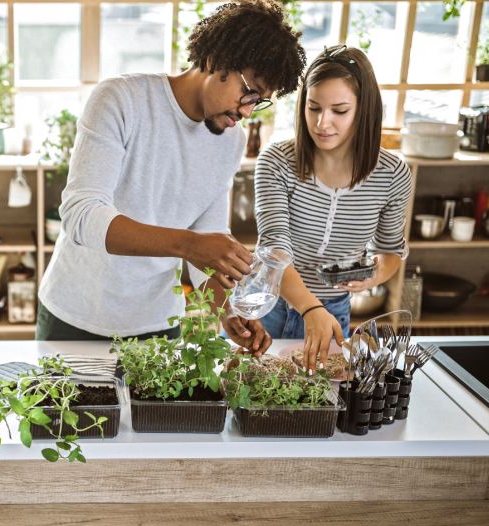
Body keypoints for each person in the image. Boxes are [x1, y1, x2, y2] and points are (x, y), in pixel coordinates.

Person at [37, 0, 305, 355]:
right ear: (216, 59)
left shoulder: (231, 141)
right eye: (249, 92)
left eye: (260, 102)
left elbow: (208, 238)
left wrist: (226, 309)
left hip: (158, 327)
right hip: (75, 318)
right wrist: (190, 245)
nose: (247, 111)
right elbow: (81, 215)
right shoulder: (120, 100)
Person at [254, 45, 412, 372]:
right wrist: (311, 308)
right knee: (259, 405)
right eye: (314, 108)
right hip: (269, 307)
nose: (322, 123)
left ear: (364, 110)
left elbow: (391, 251)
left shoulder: (392, 174)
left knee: (317, 411)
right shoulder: (276, 162)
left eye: (339, 110)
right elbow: (274, 248)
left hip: (333, 314)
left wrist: (369, 277)